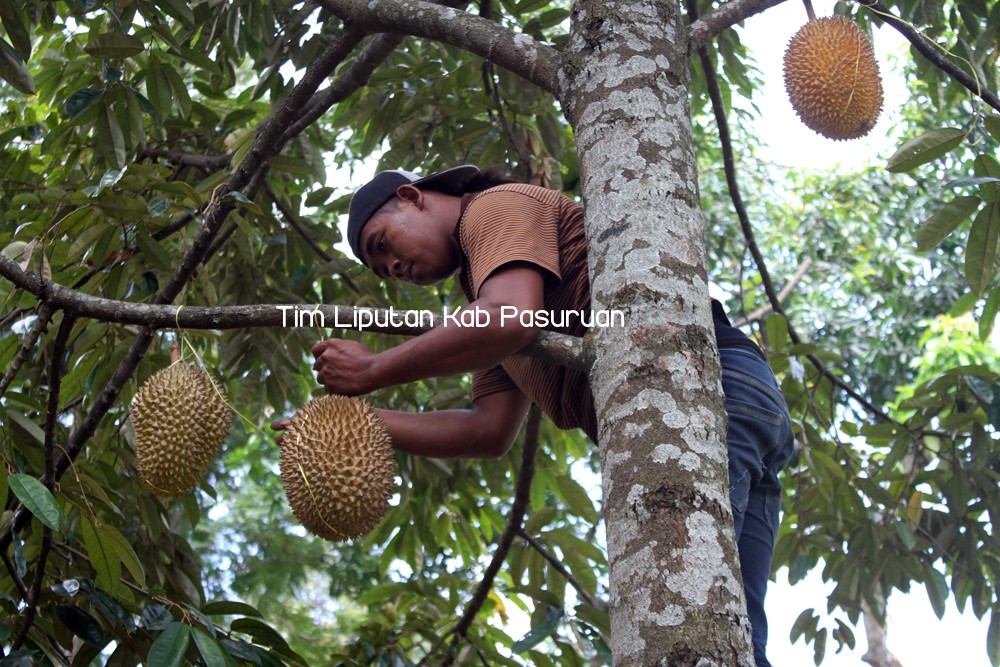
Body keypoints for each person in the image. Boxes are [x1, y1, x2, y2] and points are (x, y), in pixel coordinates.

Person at [273, 165, 795, 666]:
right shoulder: (485, 299)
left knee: (686, 610)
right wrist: (349, 424)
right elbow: (487, 429)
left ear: (412, 198)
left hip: (700, 383)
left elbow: (510, 319)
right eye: (380, 267)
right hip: (733, 402)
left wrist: (372, 370)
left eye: (383, 244)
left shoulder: (492, 209)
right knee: (731, 635)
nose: (391, 267)